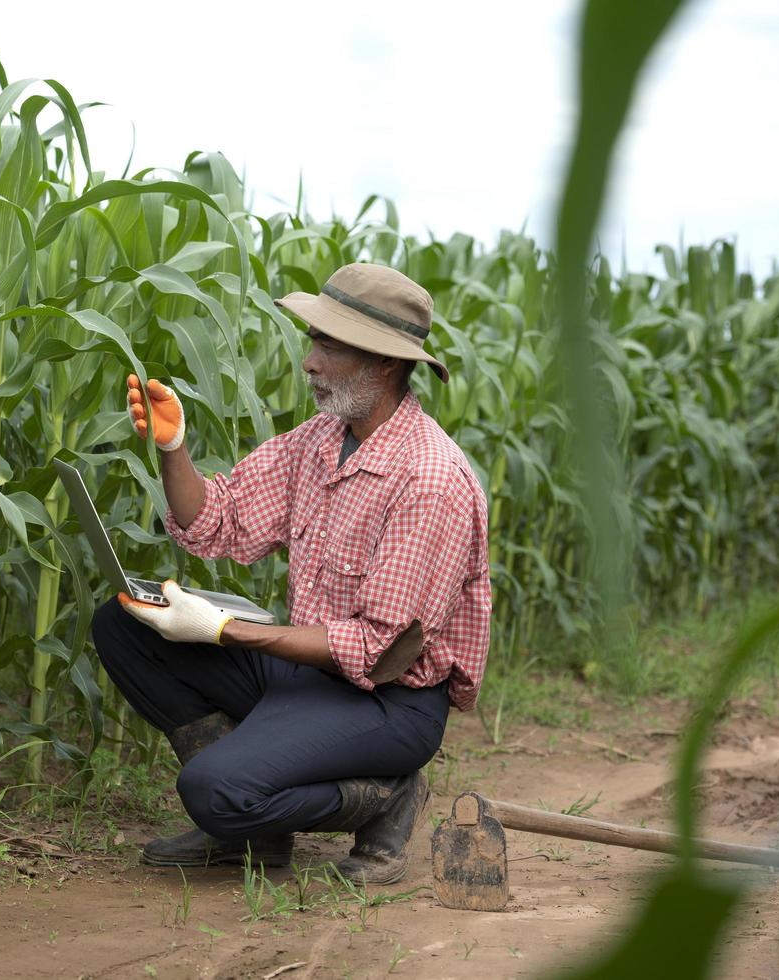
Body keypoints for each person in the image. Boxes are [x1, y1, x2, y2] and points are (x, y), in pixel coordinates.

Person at [90, 262, 491, 884]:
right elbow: (217, 520)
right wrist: (173, 450)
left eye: (327, 345)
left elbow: (374, 650)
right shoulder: (321, 440)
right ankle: (256, 831)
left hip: (389, 701)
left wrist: (222, 628)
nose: (309, 361)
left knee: (212, 790)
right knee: (124, 623)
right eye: (315, 341)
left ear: (383, 362)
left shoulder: (430, 479)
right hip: (312, 674)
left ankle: (383, 800)